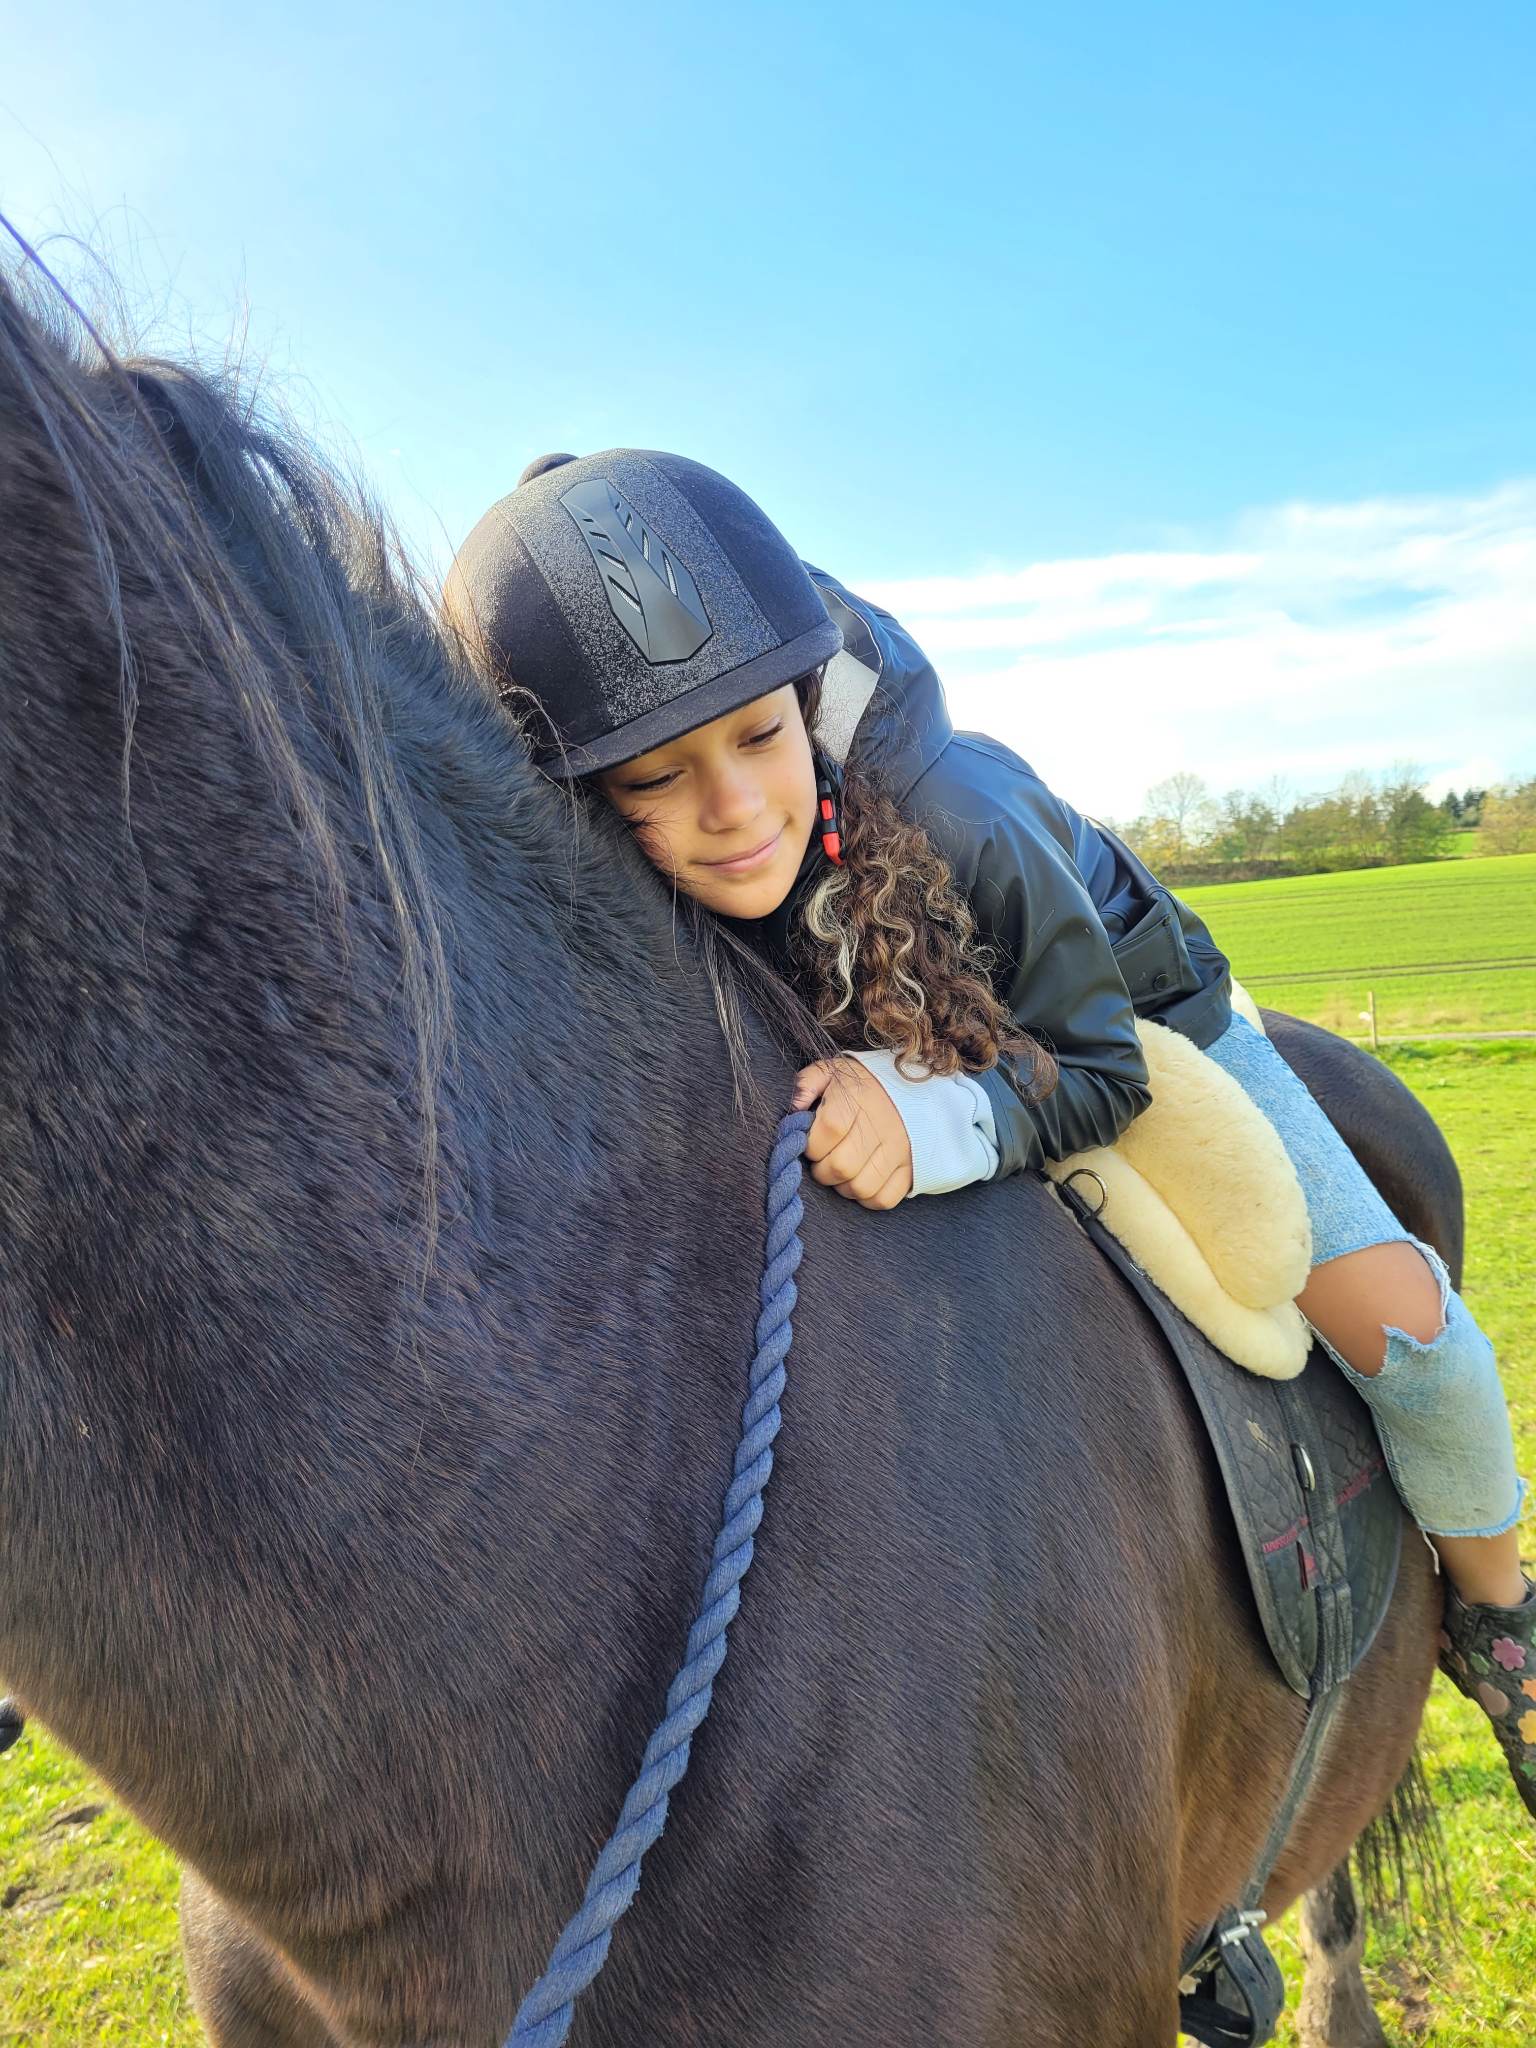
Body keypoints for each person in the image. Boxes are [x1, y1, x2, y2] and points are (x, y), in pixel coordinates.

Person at [445, 448, 1535, 1816]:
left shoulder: (962, 813)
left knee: (1409, 1331)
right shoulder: (628, 874)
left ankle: (1503, 1622)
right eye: (658, 779)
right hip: (896, 1018)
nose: (731, 810)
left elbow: (1094, 1069)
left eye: (757, 738)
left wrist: (933, 1116)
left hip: (1127, 1018)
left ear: (804, 704)